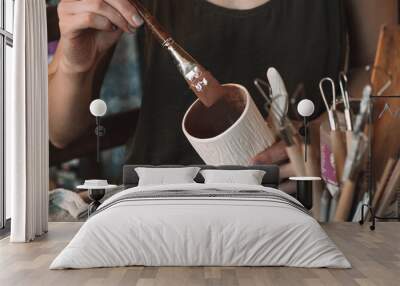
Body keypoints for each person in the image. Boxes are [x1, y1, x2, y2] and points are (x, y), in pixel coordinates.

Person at [49, 0, 346, 192]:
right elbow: (58, 132)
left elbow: (380, 72)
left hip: (298, 206)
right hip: (159, 203)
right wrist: (74, 65)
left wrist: (332, 135)